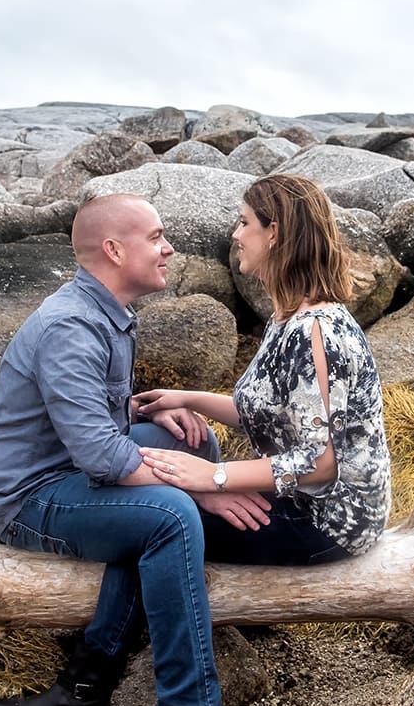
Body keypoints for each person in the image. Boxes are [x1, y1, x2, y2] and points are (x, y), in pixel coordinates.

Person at [0, 192, 290, 706]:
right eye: (156, 237)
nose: (169, 248)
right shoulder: (70, 325)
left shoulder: (107, 312)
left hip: (68, 471)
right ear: (114, 250)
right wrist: (206, 490)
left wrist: (146, 415)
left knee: (193, 444)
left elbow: (90, 423)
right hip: (26, 498)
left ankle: (85, 687)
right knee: (170, 514)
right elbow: (97, 454)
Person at [133, 173, 392, 570]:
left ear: (275, 233)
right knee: (157, 508)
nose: (236, 235)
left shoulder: (315, 331)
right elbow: (271, 414)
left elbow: (320, 462)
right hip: (299, 499)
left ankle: (114, 635)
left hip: (326, 521)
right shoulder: (287, 317)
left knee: (156, 521)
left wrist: (214, 476)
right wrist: (185, 398)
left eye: (244, 222)